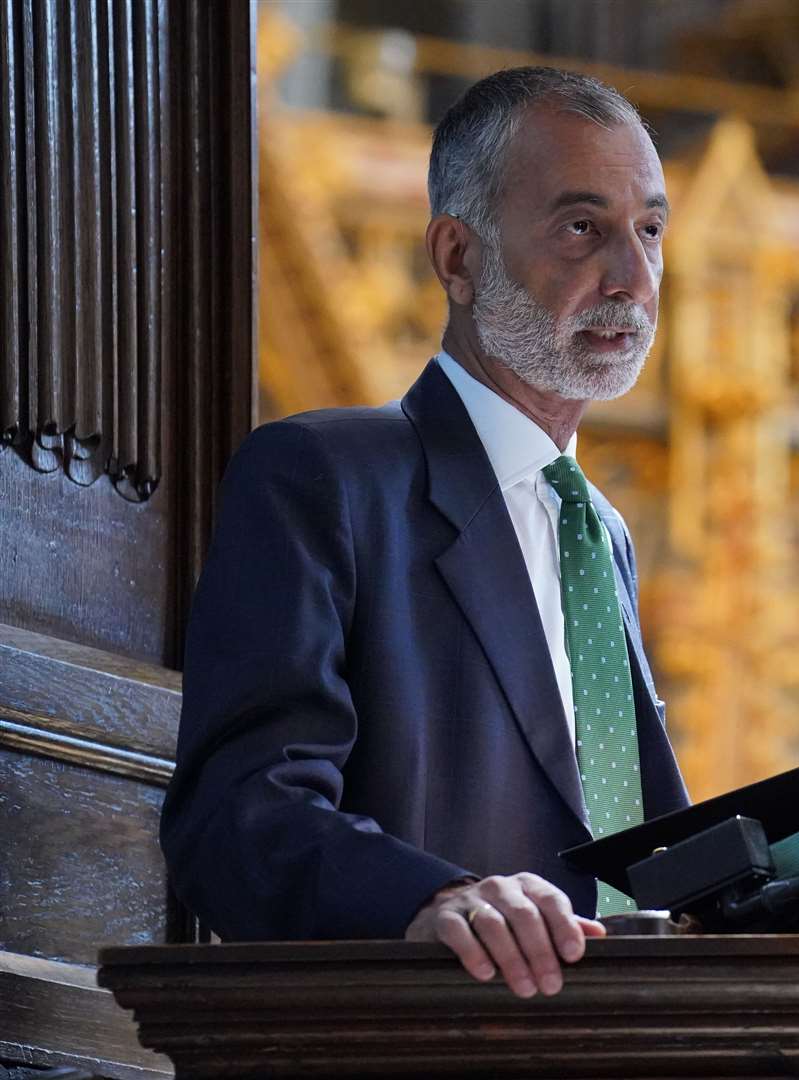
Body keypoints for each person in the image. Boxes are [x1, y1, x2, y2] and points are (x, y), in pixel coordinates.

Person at [160, 67, 687, 1000]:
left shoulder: (598, 533)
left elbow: (624, 849)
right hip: (422, 1034)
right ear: (458, 258)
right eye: (582, 227)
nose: (634, 278)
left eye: (649, 229)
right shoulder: (323, 478)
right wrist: (434, 898)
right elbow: (239, 815)